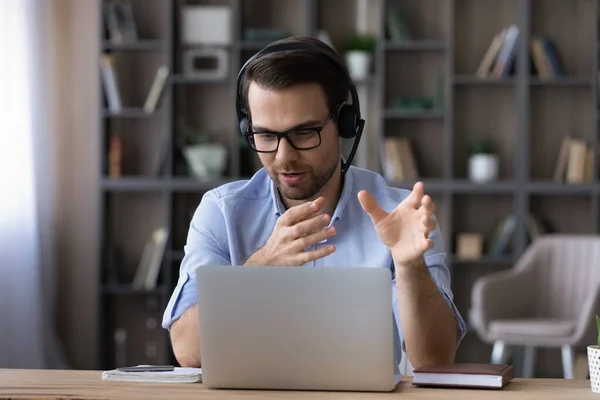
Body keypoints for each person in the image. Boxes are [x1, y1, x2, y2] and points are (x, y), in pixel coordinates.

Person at [162, 36, 466, 370]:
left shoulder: (402, 215)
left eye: (304, 133)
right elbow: (189, 351)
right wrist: (261, 269)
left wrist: (410, 268)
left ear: (345, 124)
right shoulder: (220, 213)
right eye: (265, 136)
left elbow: (434, 361)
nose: (284, 157)